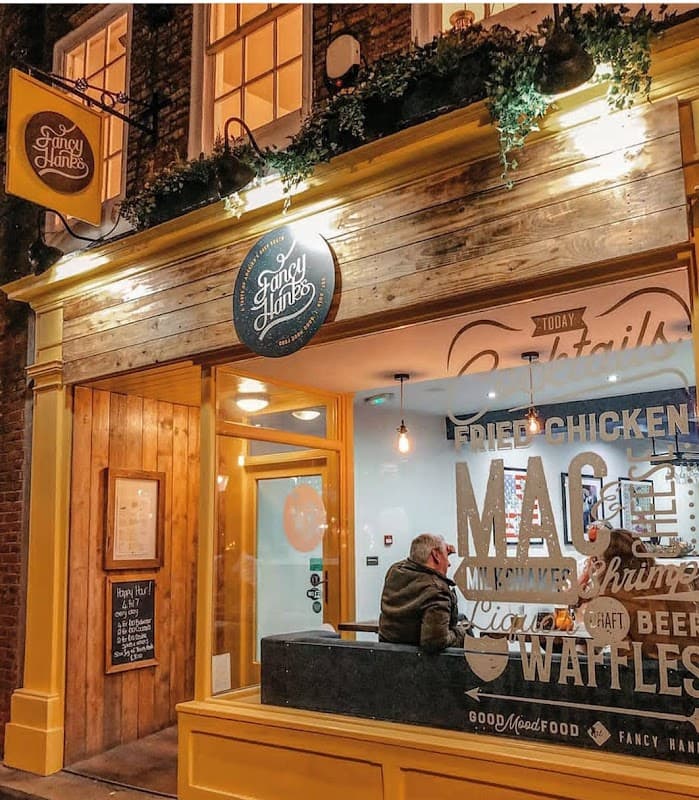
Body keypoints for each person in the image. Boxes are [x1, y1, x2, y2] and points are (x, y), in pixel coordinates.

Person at [578, 527, 699, 658]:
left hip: (656, 671)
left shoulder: (608, 598)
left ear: (606, 563)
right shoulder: (671, 576)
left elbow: (625, 654)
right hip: (692, 664)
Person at [378, 533, 467, 652]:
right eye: (446, 556)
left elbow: (414, 562)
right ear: (435, 555)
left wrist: (442, 552)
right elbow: (435, 642)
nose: (449, 564)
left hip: (388, 658)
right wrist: (460, 633)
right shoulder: (437, 590)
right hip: (419, 665)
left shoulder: (395, 572)